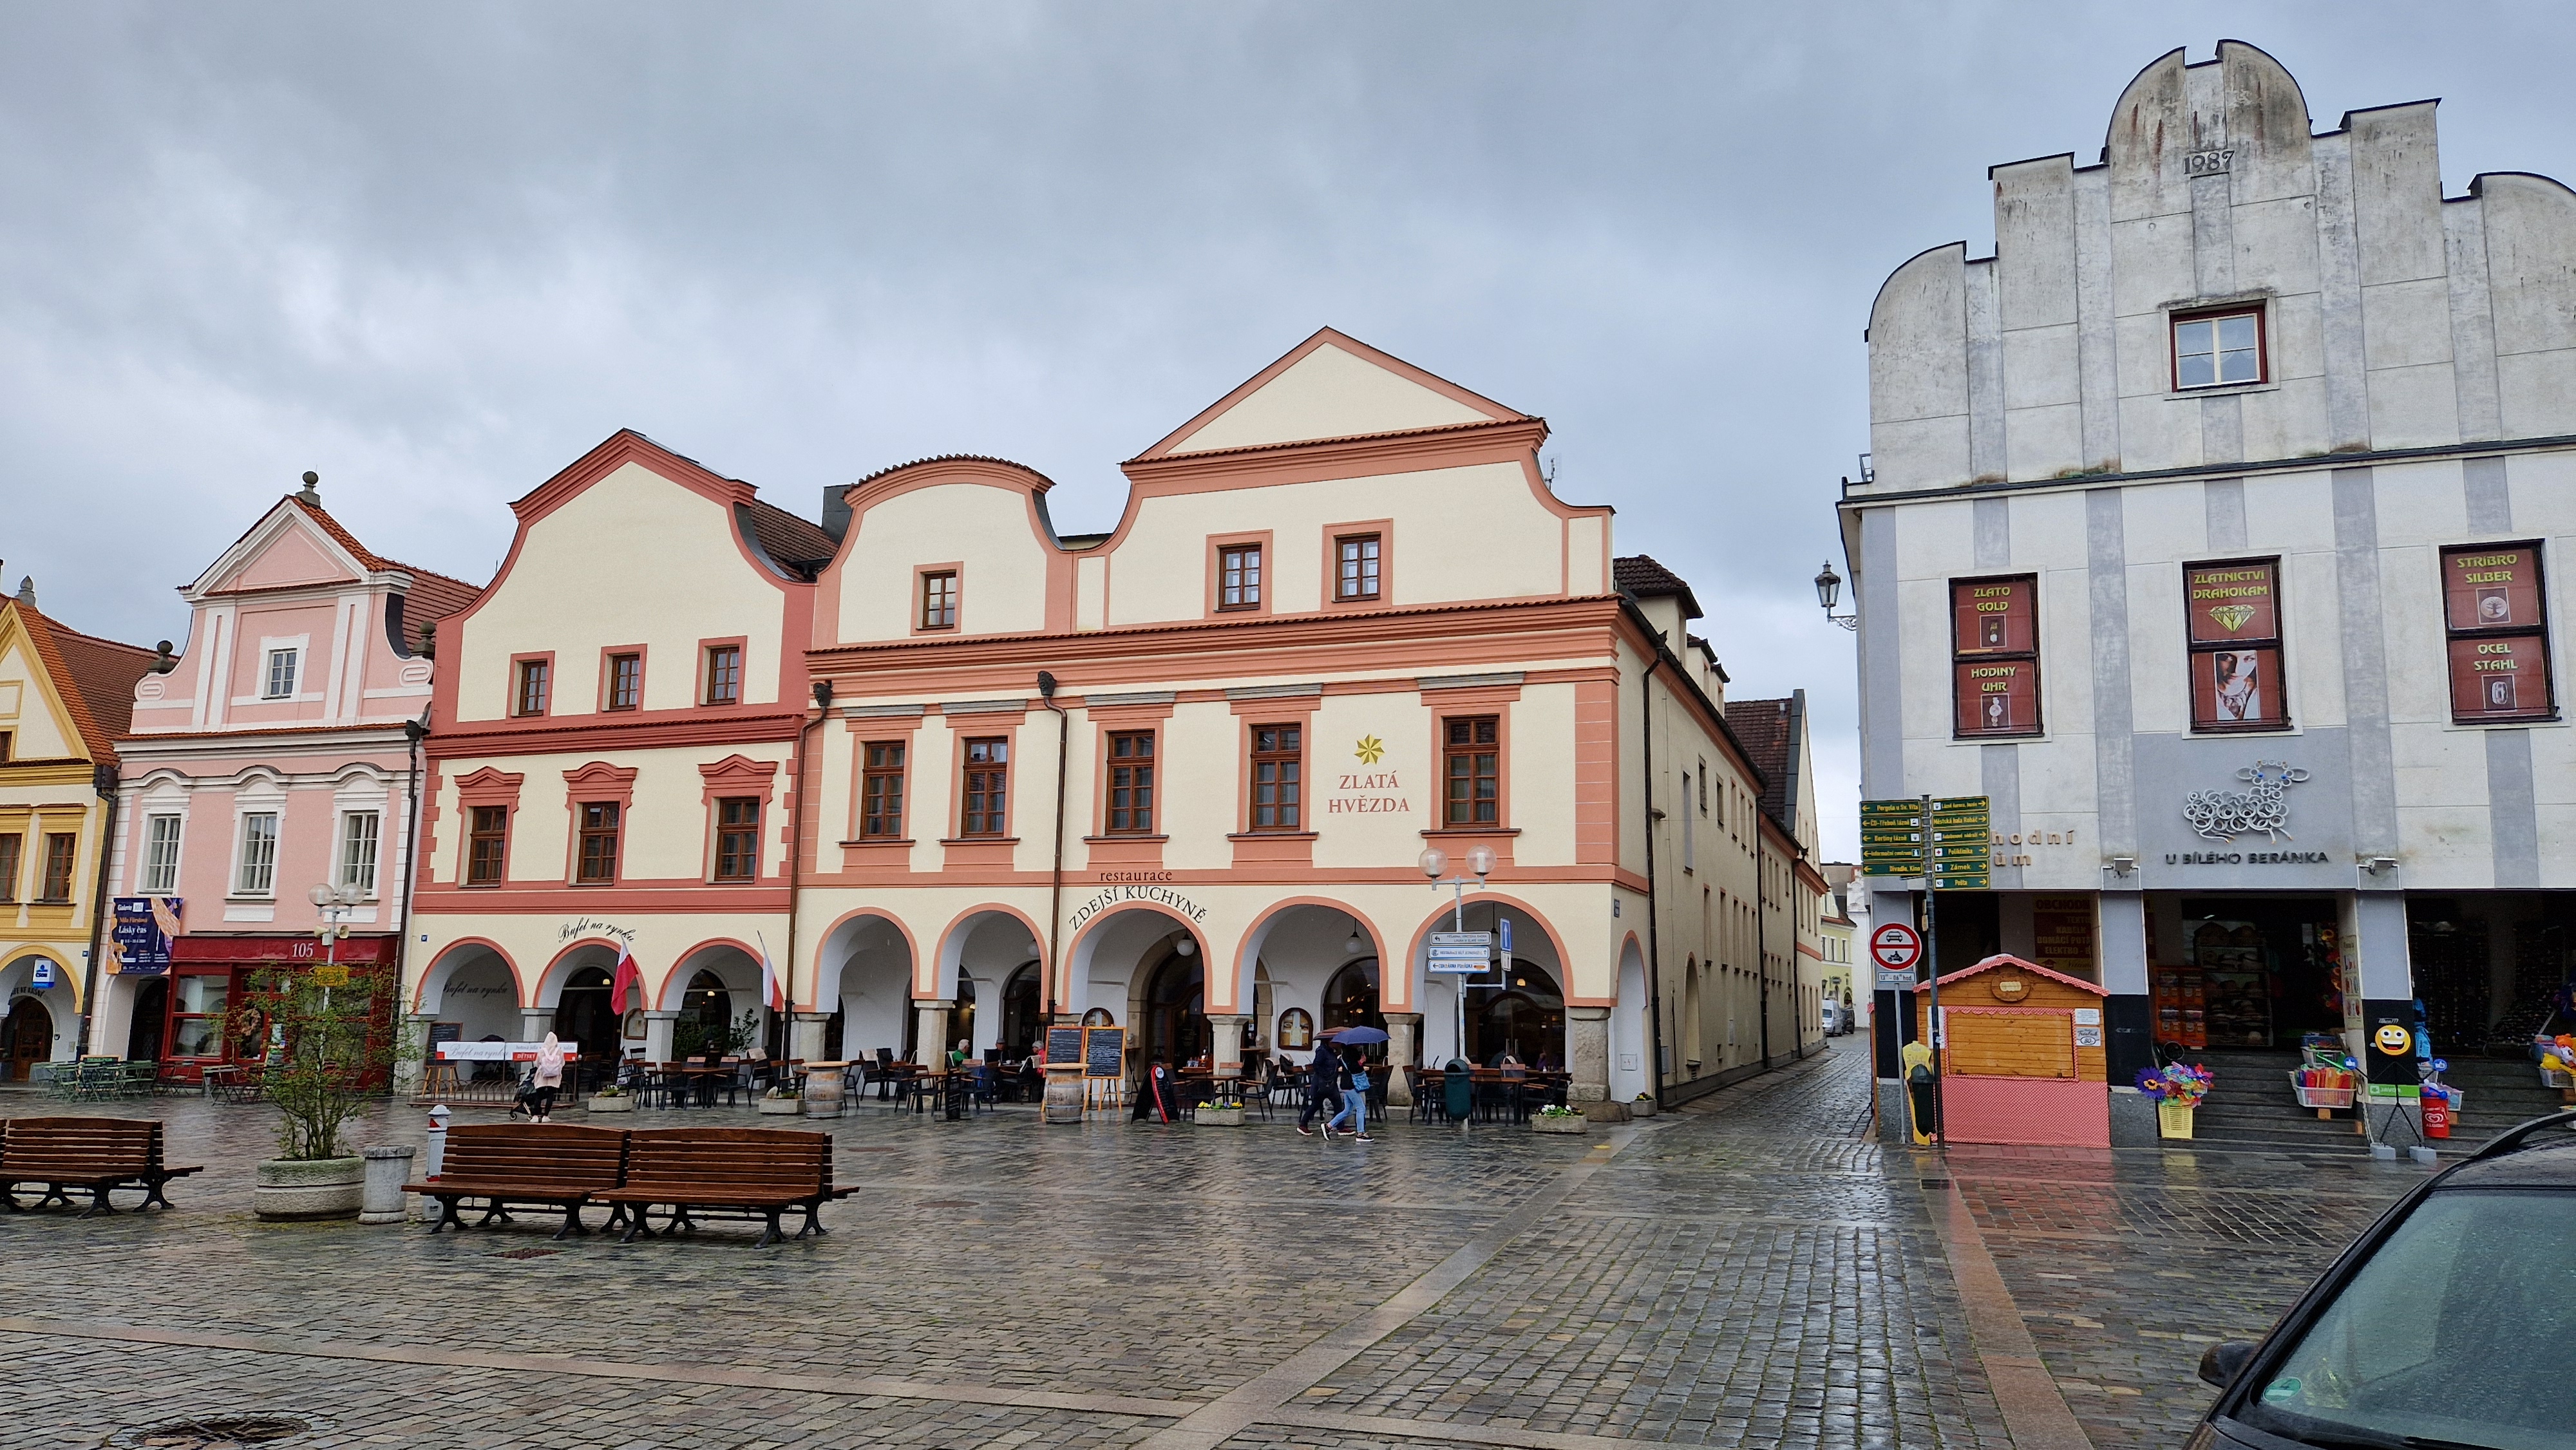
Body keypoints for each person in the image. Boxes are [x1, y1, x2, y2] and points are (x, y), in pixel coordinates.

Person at [1324, 1044, 1371, 1142]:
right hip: (1351, 1085)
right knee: (1361, 1108)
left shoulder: (1346, 1053)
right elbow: (1353, 1068)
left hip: (1346, 1085)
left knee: (1348, 1110)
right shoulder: (1349, 1054)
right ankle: (1361, 1133)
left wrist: (1360, 1062)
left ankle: (1329, 1126)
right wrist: (1361, 1062)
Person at [1294, 1046, 1340, 1136]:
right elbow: (1317, 1065)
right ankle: (1303, 1124)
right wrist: (1327, 1074)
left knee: (1337, 1104)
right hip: (1322, 1084)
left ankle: (1340, 1126)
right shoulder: (1322, 1051)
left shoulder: (1331, 1052)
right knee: (1316, 1104)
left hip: (1330, 1084)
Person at [527, 1031, 565, 1123]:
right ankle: (546, 1116)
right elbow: (562, 1063)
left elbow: (537, 1063)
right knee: (550, 1095)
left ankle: (536, 1116)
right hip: (554, 1077)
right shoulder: (559, 1051)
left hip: (542, 1076)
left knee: (539, 1095)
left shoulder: (542, 1051)